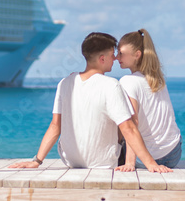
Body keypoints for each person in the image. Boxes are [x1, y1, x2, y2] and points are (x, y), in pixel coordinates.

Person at [9, 32, 173, 172]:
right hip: (102, 162)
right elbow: (128, 128)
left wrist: (37, 161)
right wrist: (151, 164)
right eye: (111, 55)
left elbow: (55, 126)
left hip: (71, 160)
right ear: (102, 59)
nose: (115, 59)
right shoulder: (111, 85)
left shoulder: (65, 82)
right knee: (125, 123)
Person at [115, 28, 182, 169]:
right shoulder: (157, 80)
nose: (116, 57)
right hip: (173, 153)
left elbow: (133, 123)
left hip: (148, 158)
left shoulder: (128, 81)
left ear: (137, 55)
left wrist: (129, 163)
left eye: (121, 53)